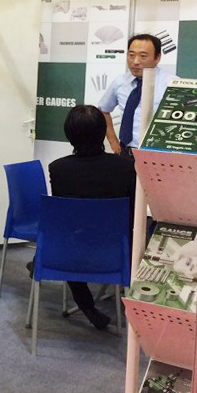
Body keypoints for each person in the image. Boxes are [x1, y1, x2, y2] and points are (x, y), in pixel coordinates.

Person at [48, 104, 136, 330]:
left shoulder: (58, 169)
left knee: (67, 242)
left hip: (70, 253)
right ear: (102, 132)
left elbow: (64, 220)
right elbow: (133, 212)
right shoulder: (126, 167)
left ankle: (86, 305)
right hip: (116, 253)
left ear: (69, 133)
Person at [98, 34, 175, 158]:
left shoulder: (171, 84)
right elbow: (103, 110)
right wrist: (113, 142)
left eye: (143, 56)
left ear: (157, 58)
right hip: (126, 153)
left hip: (158, 154)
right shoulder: (120, 82)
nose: (135, 62)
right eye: (131, 55)